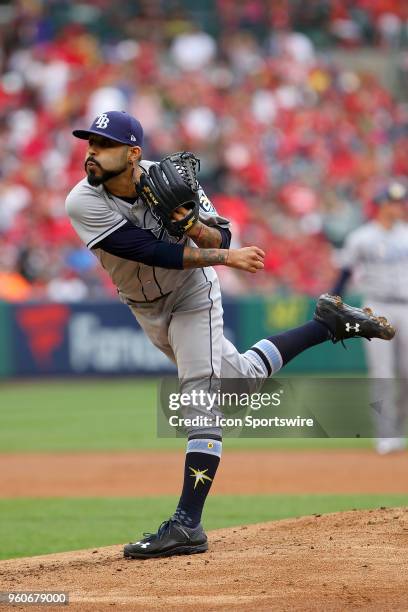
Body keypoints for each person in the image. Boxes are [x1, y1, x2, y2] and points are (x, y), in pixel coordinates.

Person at [66, 110, 395, 559]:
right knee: (238, 382)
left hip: (191, 296)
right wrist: (224, 256)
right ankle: (327, 324)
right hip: (145, 307)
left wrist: (191, 224)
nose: (92, 152)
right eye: (90, 143)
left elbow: (219, 232)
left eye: (102, 145)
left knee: (199, 397)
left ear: (133, 153)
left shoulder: (175, 180)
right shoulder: (81, 201)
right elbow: (144, 250)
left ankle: (187, 524)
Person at [332, 181, 408, 455]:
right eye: (394, 201)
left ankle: (398, 431)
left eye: (401, 201)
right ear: (381, 205)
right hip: (377, 307)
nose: (399, 206)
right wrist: (334, 304)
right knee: (383, 373)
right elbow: (344, 273)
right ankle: (386, 435)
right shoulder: (362, 237)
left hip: (406, 307)